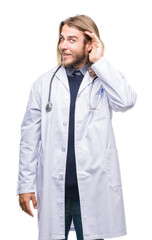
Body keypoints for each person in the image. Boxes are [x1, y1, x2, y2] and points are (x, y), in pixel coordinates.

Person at [17, 15, 137, 240]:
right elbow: (29, 138)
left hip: (92, 191)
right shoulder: (44, 83)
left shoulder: (104, 78)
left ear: (89, 44)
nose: (63, 45)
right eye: (62, 38)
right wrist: (25, 185)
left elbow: (127, 101)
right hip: (54, 190)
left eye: (72, 39)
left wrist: (100, 62)